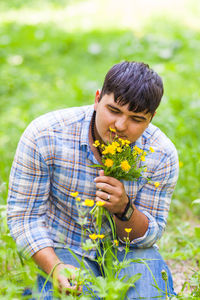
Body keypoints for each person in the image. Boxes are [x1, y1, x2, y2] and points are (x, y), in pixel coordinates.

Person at [7, 61, 179, 299]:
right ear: (97, 99)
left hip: (127, 249)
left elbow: (149, 235)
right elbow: (24, 217)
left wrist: (124, 209)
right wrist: (55, 267)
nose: (120, 126)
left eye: (136, 119)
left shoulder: (160, 154)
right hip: (63, 246)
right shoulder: (45, 134)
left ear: (151, 118)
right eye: (114, 110)